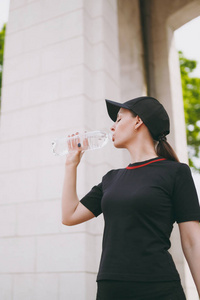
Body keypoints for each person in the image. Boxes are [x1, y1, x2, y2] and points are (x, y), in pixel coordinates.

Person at [62, 96, 200, 300]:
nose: (112, 128)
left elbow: (192, 242)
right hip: (111, 289)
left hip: (158, 288)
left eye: (118, 119)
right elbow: (69, 216)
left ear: (138, 121)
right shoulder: (111, 179)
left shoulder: (176, 172)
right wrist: (71, 165)